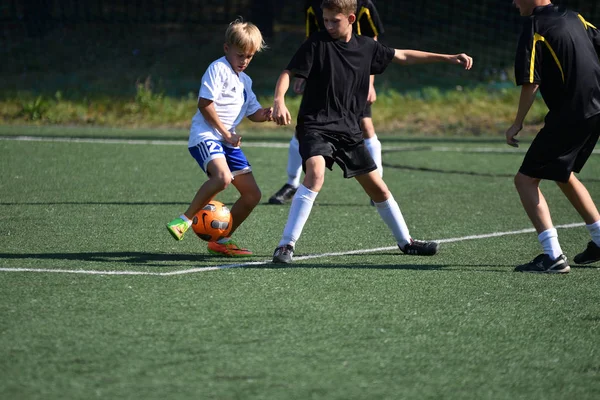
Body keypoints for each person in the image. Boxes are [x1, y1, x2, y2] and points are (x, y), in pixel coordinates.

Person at [270, 0, 473, 263]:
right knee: (316, 173)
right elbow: (288, 72)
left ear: (352, 19)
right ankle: (285, 246)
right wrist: (279, 100)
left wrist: (448, 57)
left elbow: (403, 56)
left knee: (378, 188)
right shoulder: (316, 43)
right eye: (326, 20)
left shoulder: (367, 47)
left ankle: (406, 242)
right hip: (315, 125)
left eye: (335, 20)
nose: (328, 25)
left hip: (348, 130)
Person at [506, 0, 600, 273]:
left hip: (571, 115)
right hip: (595, 110)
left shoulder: (535, 27)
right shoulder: (575, 17)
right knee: (562, 171)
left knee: (524, 180)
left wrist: (517, 123)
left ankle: (552, 256)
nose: (513, 2)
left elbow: (531, 82)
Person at [166, 19, 273, 257]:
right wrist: (226, 134)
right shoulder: (218, 69)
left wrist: (267, 114)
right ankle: (184, 220)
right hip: (206, 136)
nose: (244, 61)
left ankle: (221, 240)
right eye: (240, 55)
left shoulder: (245, 82)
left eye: (250, 56)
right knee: (223, 178)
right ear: (227, 49)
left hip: (226, 141)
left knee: (252, 194)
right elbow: (205, 104)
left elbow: (252, 113)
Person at [268, 0, 385, 205]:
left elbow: (373, 41)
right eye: (327, 20)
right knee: (304, 128)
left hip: (355, 76)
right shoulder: (314, 5)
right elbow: (310, 38)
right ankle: (291, 184)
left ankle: (377, 188)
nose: (329, 24)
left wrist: (370, 82)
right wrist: (302, 75)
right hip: (323, 73)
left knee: (365, 125)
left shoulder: (363, 4)